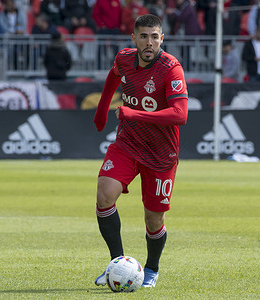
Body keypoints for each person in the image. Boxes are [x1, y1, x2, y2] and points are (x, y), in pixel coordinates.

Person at [93, 14, 188, 288]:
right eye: (144, 36)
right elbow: (114, 77)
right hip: (128, 144)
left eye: (155, 36)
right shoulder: (124, 58)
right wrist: (101, 112)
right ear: (134, 38)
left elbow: (180, 114)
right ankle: (116, 264)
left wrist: (133, 114)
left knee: (154, 218)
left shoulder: (171, 69)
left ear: (162, 38)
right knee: (104, 195)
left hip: (161, 153)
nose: (150, 42)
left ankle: (152, 269)